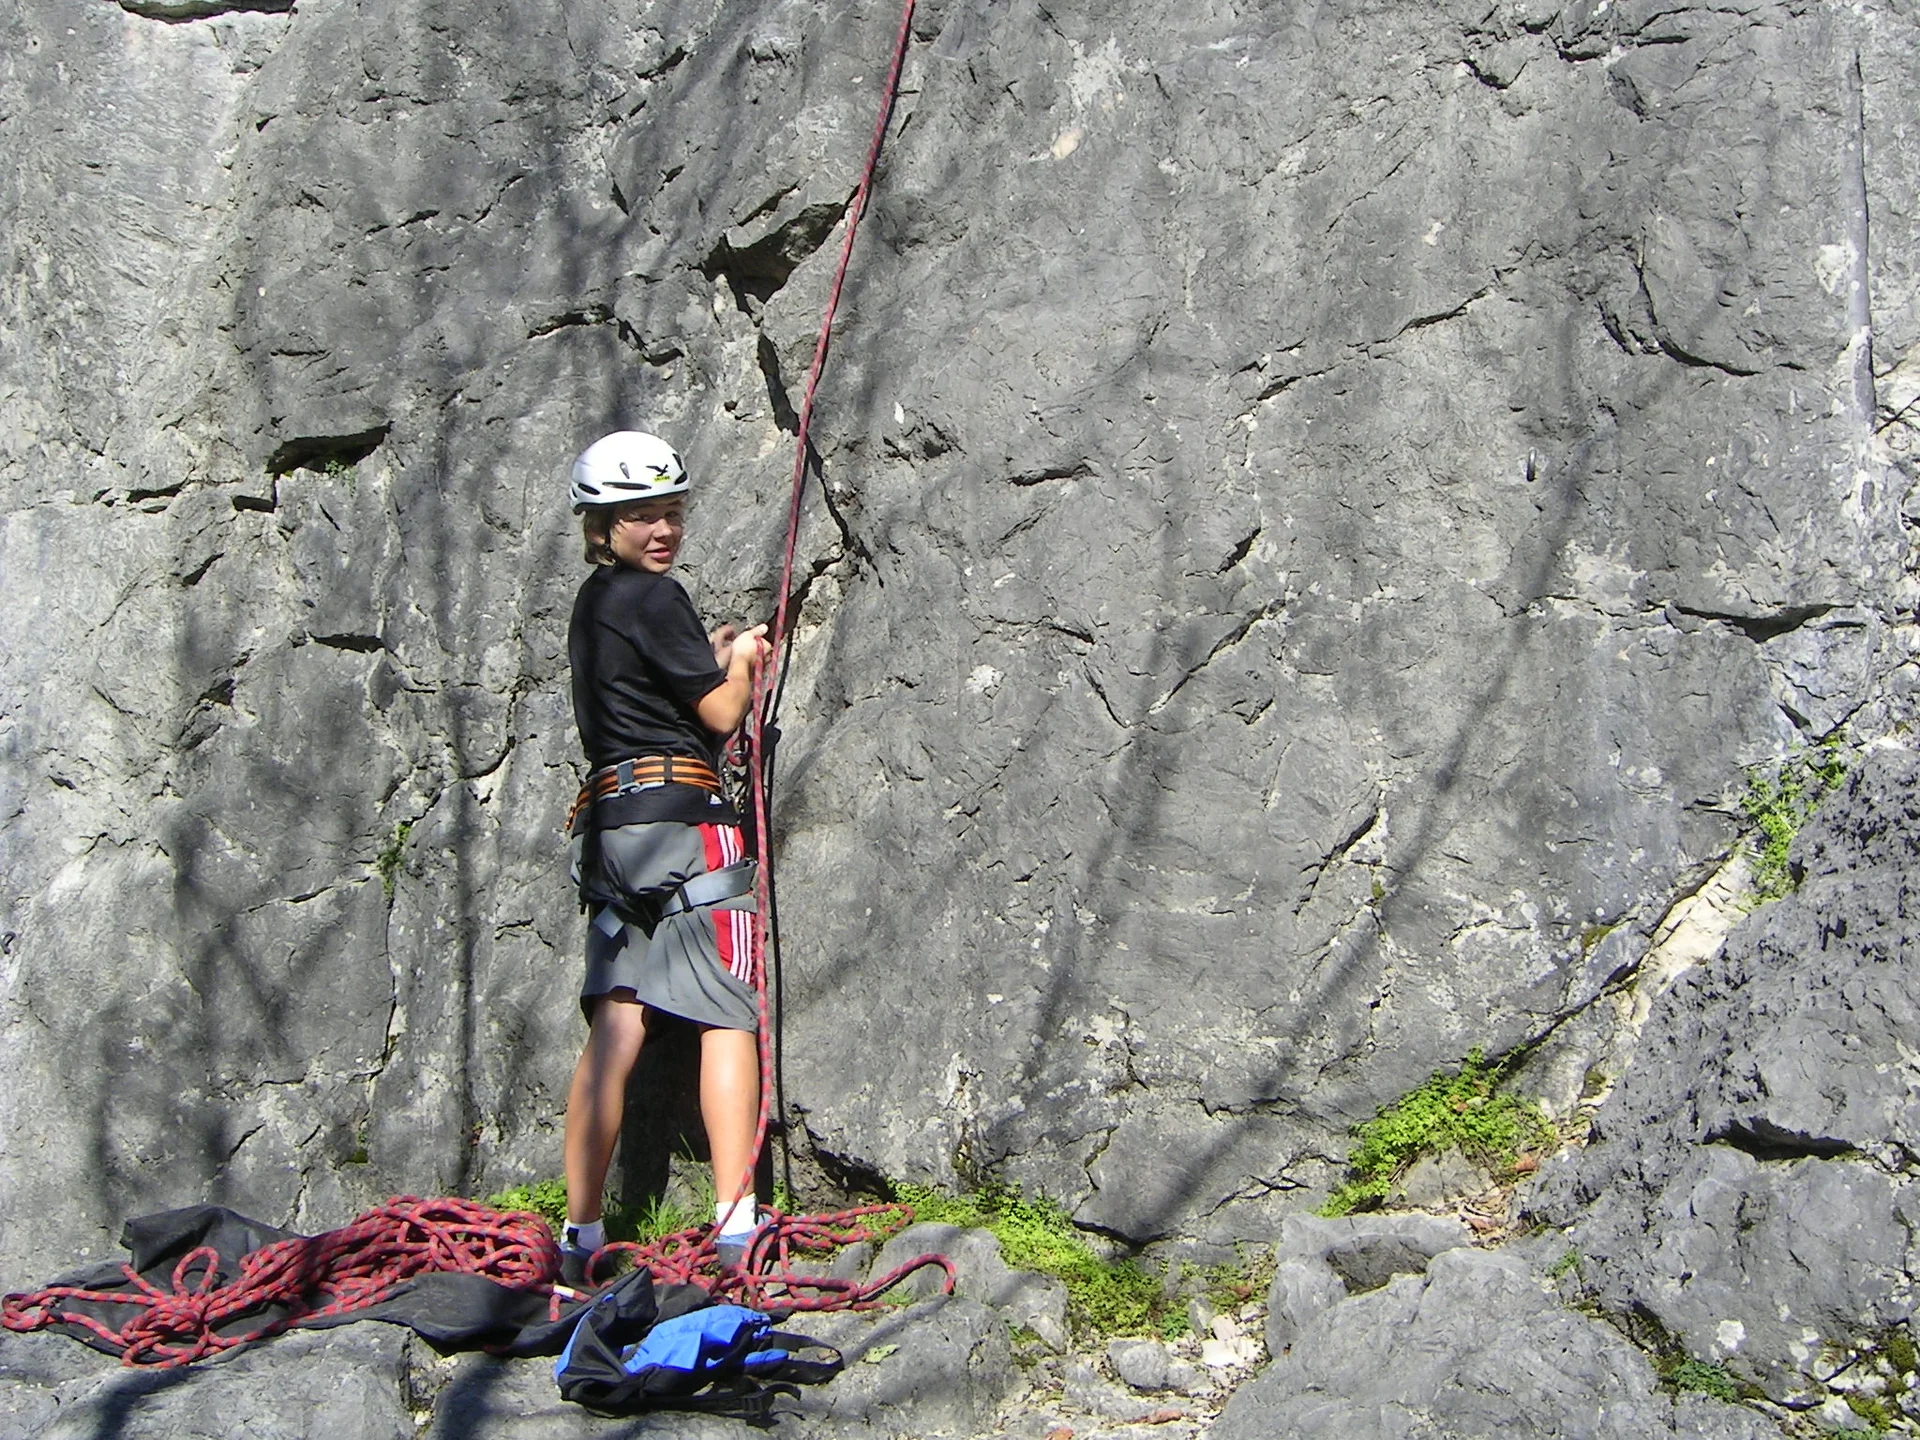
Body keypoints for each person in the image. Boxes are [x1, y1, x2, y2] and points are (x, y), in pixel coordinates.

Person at [558, 430, 772, 1284]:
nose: (661, 530)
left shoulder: (594, 604)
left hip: (611, 834)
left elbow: (649, 701)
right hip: (686, 827)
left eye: (672, 513)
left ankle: (578, 1233)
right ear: (602, 525)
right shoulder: (656, 596)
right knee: (726, 1014)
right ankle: (734, 1226)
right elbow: (720, 717)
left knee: (616, 1027)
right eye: (639, 515)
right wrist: (745, 662)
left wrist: (707, 662)